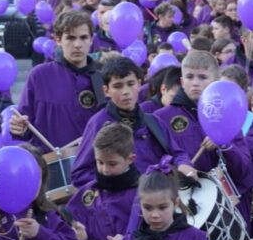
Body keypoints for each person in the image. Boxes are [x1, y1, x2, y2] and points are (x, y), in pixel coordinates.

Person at [69, 57, 195, 188]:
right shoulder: (98, 123)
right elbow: (80, 175)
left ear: (139, 84)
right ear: (106, 91)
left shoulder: (153, 121)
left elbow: (178, 153)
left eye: (130, 84)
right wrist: (115, 186)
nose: (125, 92)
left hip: (158, 200)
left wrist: (184, 164)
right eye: (118, 86)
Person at [11, 11, 104, 150]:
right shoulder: (39, 75)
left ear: (91, 40)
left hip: (90, 165)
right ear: (58, 40)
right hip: (49, 164)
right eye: (70, 38)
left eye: (83, 37)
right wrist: (18, 127)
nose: (77, 44)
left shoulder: (102, 79)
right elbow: (25, 125)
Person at [67, 122, 140, 240]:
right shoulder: (87, 192)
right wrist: (79, 238)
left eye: (112, 164)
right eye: (100, 162)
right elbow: (69, 230)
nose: (105, 169)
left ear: (130, 159)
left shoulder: (142, 192)